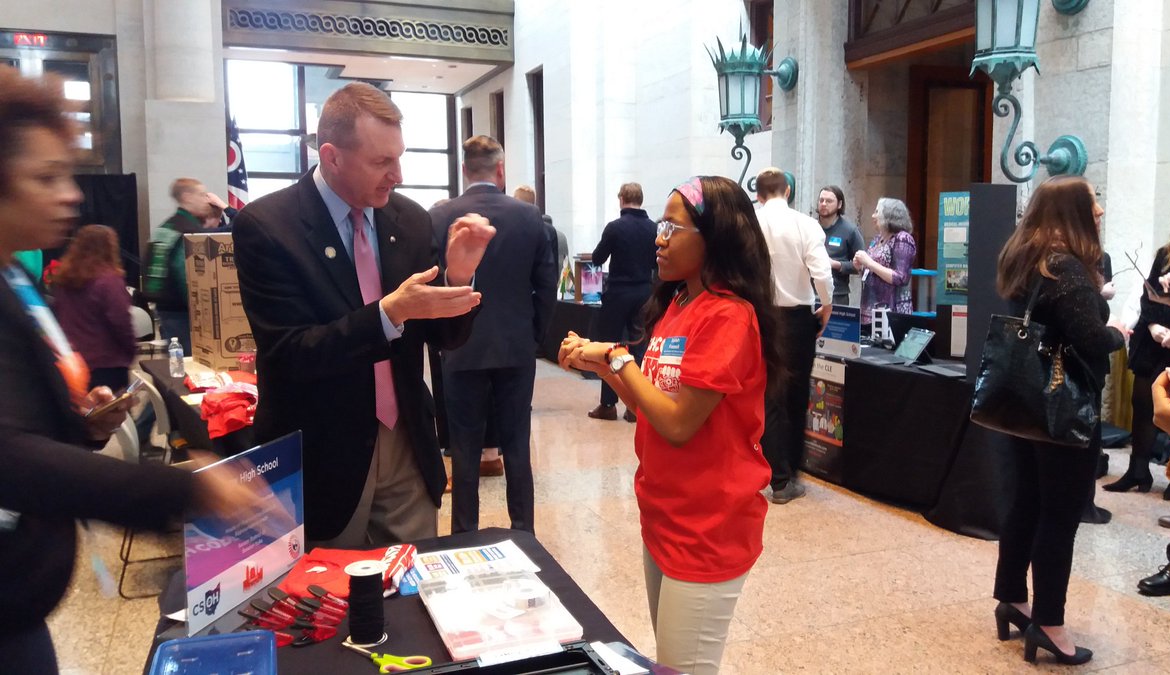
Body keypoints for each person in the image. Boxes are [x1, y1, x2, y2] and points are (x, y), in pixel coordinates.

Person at [0, 64, 268, 673]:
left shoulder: (14, 275)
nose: (70, 193)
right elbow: (8, 456)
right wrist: (189, 488)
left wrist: (80, 423)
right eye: (45, 177)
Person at [233, 82, 495, 546]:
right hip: (324, 452)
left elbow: (443, 338)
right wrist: (389, 313)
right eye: (381, 162)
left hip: (405, 442)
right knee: (334, 601)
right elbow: (292, 353)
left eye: (399, 157)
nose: (397, 174)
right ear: (331, 157)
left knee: (412, 591)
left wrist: (458, 277)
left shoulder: (409, 219)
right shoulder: (268, 227)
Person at [558, 175, 780, 675]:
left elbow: (679, 425)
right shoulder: (679, 304)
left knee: (685, 668)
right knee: (671, 665)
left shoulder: (728, 316)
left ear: (713, 237)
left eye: (672, 228)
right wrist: (596, 364)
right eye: (661, 224)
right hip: (665, 513)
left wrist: (616, 357)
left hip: (707, 525)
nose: (659, 238)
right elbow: (652, 403)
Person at [990, 176, 1122, 666]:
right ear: (1072, 211)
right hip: (1062, 406)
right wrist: (1119, 332)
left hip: (1026, 402)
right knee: (1059, 514)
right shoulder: (1064, 267)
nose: (1101, 211)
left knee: (1027, 499)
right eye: (1093, 203)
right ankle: (1049, 622)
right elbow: (1092, 338)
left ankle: (1012, 596)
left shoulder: (1024, 257)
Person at [429, 135, 556, 534]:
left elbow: (432, 283)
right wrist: (532, 336)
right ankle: (524, 533)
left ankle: (464, 536)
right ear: (501, 169)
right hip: (516, 346)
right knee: (517, 445)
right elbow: (546, 285)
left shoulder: (440, 216)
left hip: (460, 347)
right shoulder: (530, 216)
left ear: (464, 169)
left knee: (464, 451)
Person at [1106, 188, 1170, 494]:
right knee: (1142, 403)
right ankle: (1138, 471)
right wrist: (1156, 327)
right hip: (1154, 339)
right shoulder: (1166, 253)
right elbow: (1147, 296)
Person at [755, 168, 832, 503]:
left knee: (767, 395)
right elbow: (822, 272)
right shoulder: (805, 224)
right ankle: (791, 474)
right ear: (787, 191)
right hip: (798, 318)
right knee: (797, 396)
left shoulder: (750, 223)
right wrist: (826, 305)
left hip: (760, 316)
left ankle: (778, 476)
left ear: (758, 194)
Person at [588, 182, 657, 422]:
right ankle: (634, 405)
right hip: (645, 293)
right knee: (640, 346)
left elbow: (598, 258)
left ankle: (608, 404)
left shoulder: (615, 228)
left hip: (618, 294)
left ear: (621, 199)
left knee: (611, 347)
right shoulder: (654, 228)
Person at [144, 178, 236, 353]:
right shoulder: (189, 232)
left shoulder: (168, 226)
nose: (206, 200)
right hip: (185, 316)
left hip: (167, 311)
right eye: (201, 195)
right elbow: (189, 278)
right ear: (187, 197)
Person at [51, 224, 135, 392]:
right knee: (112, 414)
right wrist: (131, 350)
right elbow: (121, 321)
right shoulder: (109, 280)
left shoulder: (64, 279)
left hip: (73, 361)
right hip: (107, 363)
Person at [853, 197, 916, 330]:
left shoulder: (903, 239)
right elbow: (872, 270)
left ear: (889, 215)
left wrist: (869, 262)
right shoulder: (877, 239)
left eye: (877, 212)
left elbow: (900, 277)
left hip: (891, 313)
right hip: (868, 312)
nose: (873, 215)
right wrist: (861, 266)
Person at [816, 185, 864, 306]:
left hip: (837, 295)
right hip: (809, 293)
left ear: (839, 204)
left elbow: (861, 266)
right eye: (821, 200)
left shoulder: (850, 230)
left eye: (829, 201)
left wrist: (836, 264)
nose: (823, 204)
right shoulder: (809, 227)